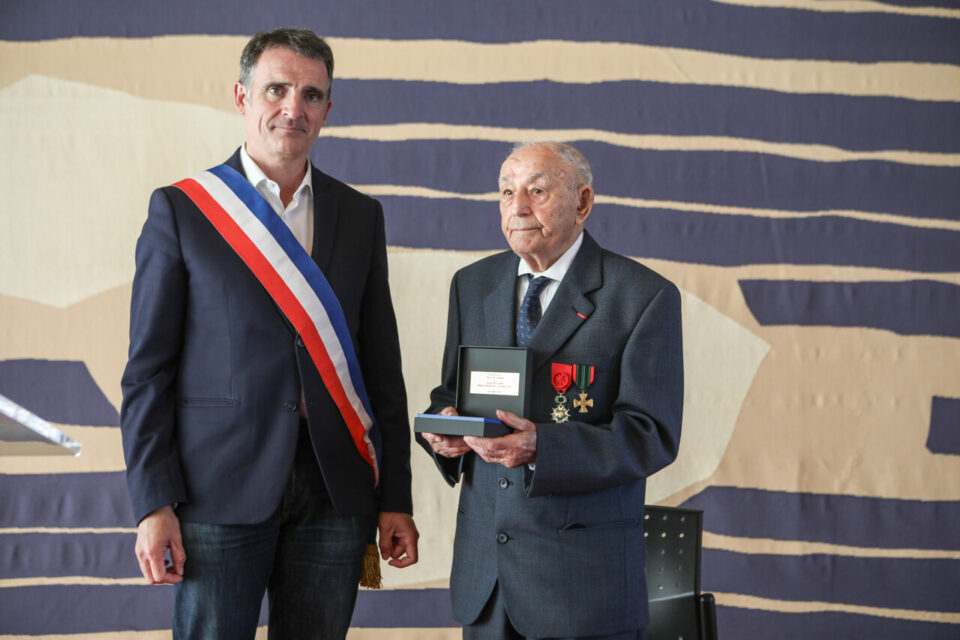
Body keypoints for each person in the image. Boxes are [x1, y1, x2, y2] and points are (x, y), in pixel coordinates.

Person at [121, 28, 418, 639]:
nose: (293, 108)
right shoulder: (183, 210)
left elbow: (382, 367)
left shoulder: (360, 215)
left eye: (311, 95)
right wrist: (153, 504)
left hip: (335, 484)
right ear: (241, 96)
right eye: (276, 89)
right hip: (217, 486)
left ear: (328, 110)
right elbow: (148, 372)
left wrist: (397, 497)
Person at [418, 142, 683, 639]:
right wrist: (446, 428)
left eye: (536, 191)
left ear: (582, 203)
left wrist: (544, 447)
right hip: (487, 582)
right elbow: (449, 391)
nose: (517, 207)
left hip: (582, 585)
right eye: (506, 192)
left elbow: (651, 434)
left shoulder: (642, 296)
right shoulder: (473, 284)